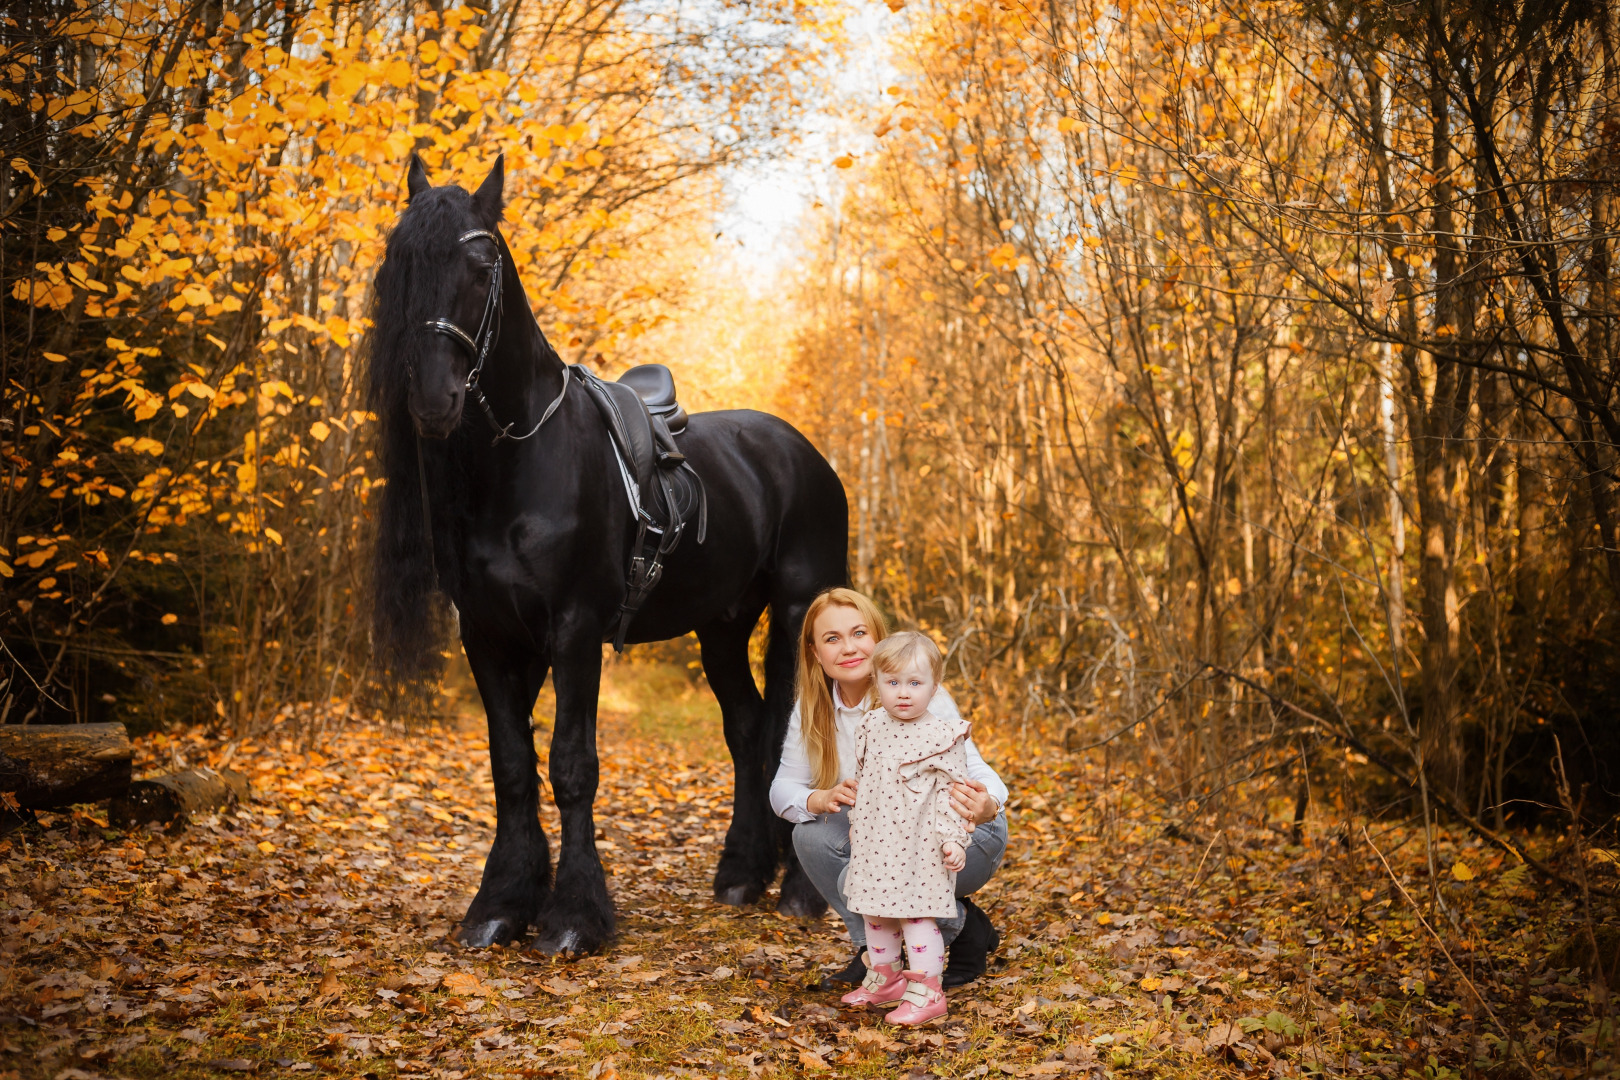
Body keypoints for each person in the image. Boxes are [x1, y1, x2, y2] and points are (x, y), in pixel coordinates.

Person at [771, 586, 1008, 988]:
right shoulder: (814, 710)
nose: (848, 647)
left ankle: (938, 937)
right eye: (832, 638)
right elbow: (781, 791)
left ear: (878, 639)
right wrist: (821, 797)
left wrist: (987, 805)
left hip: (961, 837)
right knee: (810, 837)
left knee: (860, 879)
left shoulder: (916, 694)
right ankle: (884, 956)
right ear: (815, 652)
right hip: (893, 837)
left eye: (859, 633)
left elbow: (982, 775)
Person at [838, 631, 970, 1023]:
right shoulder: (871, 725)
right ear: (877, 682)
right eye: (892, 682)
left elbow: (954, 793)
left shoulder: (942, 736)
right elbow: (864, 778)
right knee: (875, 912)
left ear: (934, 686)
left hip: (920, 844)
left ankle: (928, 990)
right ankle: (887, 977)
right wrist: (856, 822)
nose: (903, 693)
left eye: (915, 683)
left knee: (916, 915)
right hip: (876, 839)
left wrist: (954, 839)